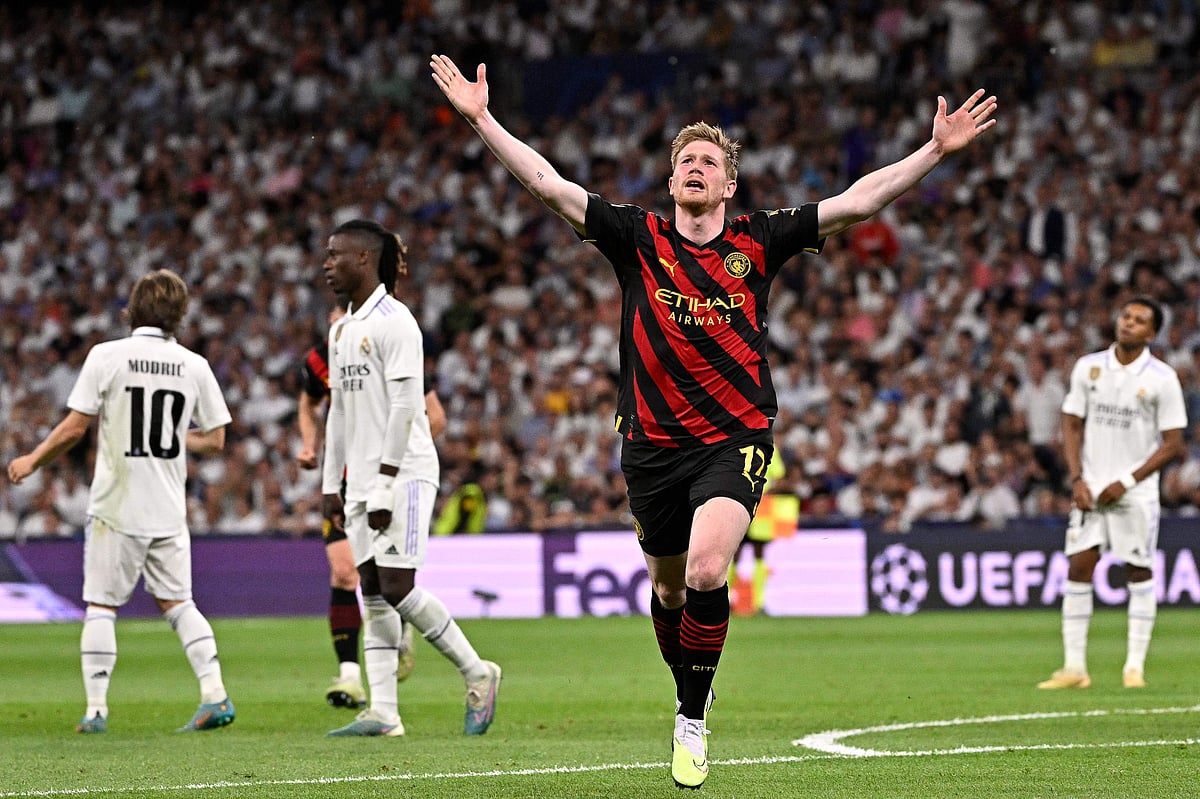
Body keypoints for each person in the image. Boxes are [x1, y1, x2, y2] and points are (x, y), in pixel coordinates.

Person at [431, 52, 996, 788]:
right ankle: (689, 687)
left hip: (735, 436)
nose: (696, 167)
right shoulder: (637, 239)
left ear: (729, 184)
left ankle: (691, 720)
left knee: (705, 567)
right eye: (685, 161)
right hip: (650, 445)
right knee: (668, 590)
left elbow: (857, 202)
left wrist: (932, 151)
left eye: (709, 161)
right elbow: (548, 184)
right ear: (672, 182)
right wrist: (482, 120)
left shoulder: (761, 239)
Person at [6, 269, 235, 734]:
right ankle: (216, 695)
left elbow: (75, 428)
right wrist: (174, 438)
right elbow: (216, 440)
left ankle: (95, 710)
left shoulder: (107, 355)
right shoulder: (194, 365)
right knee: (179, 603)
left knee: (101, 607)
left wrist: (33, 460)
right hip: (168, 508)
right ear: (180, 315)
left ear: (132, 309)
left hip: (118, 505)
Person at [319, 219, 500, 738]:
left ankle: (477, 672)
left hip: (404, 474)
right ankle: (385, 713)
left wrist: (382, 483)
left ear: (363, 260)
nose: (327, 264)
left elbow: (405, 407)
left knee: (397, 585)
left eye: (336, 255)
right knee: (371, 588)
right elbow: (338, 412)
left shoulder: (397, 322)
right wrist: (333, 483)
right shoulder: (341, 329)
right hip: (361, 481)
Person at [296, 295, 448, 710]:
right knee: (346, 573)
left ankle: (406, 638)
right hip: (346, 482)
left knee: (384, 582)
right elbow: (310, 404)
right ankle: (349, 678)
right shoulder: (320, 359)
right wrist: (310, 445)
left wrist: (397, 457)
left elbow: (434, 416)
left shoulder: (387, 346)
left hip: (390, 480)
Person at [1038, 296, 1186, 691]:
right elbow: (1071, 424)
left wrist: (1129, 481)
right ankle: (1074, 668)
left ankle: (1134, 667)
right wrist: (1076, 479)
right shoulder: (1088, 368)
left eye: (1139, 321)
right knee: (1078, 566)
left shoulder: (1162, 378)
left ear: (1151, 333)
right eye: (1125, 316)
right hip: (1090, 489)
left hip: (1134, 495)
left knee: (1139, 570)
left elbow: (1173, 443)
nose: (1129, 324)